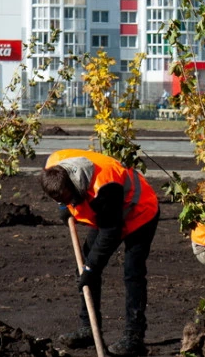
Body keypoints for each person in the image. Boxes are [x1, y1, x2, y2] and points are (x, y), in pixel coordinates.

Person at [40, 149, 160, 356]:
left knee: (133, 272)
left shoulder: (105, 186)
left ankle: (134, 337)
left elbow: (110, 232)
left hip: (139, 210)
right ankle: (88, 328)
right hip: (105, 213)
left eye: (70, 198)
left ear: (75, 186)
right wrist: (64, 205)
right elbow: (64, 196)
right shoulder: (54, 165)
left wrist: (91, 268)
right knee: (85, 263)